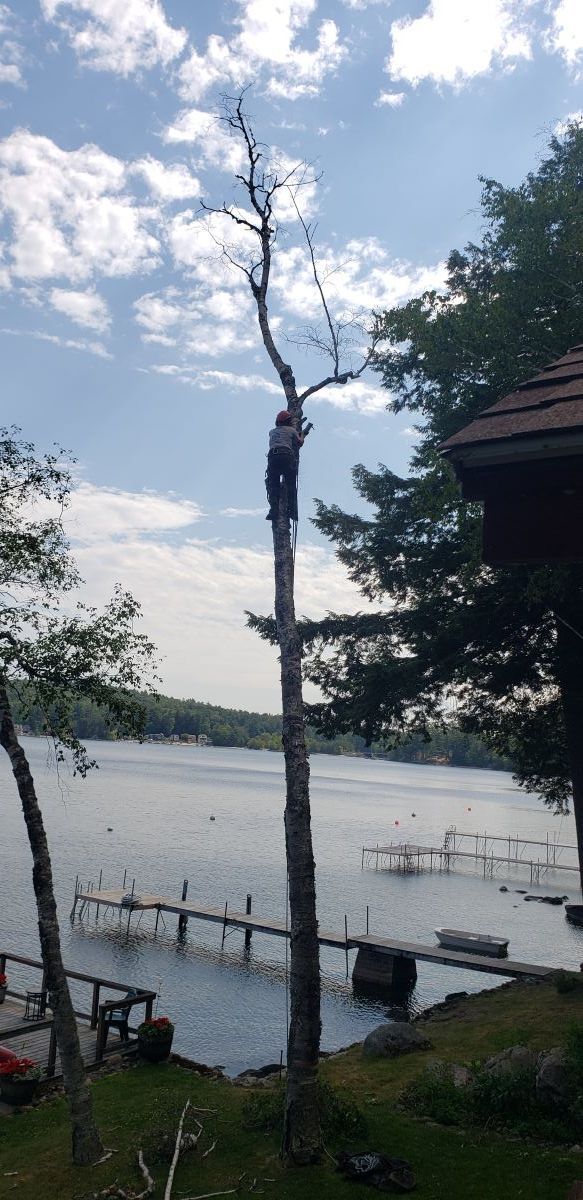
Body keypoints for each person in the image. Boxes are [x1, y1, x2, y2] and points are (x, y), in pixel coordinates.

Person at [265, 410, 311, 522]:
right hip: (286, 456)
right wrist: (302, 435)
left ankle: (274, 510)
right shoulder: (291, 430)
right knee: (291, 484)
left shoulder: (271, 432)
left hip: (273, 457)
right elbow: (299, 443)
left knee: (273, 485)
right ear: (289, 421)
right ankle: (292, 511)